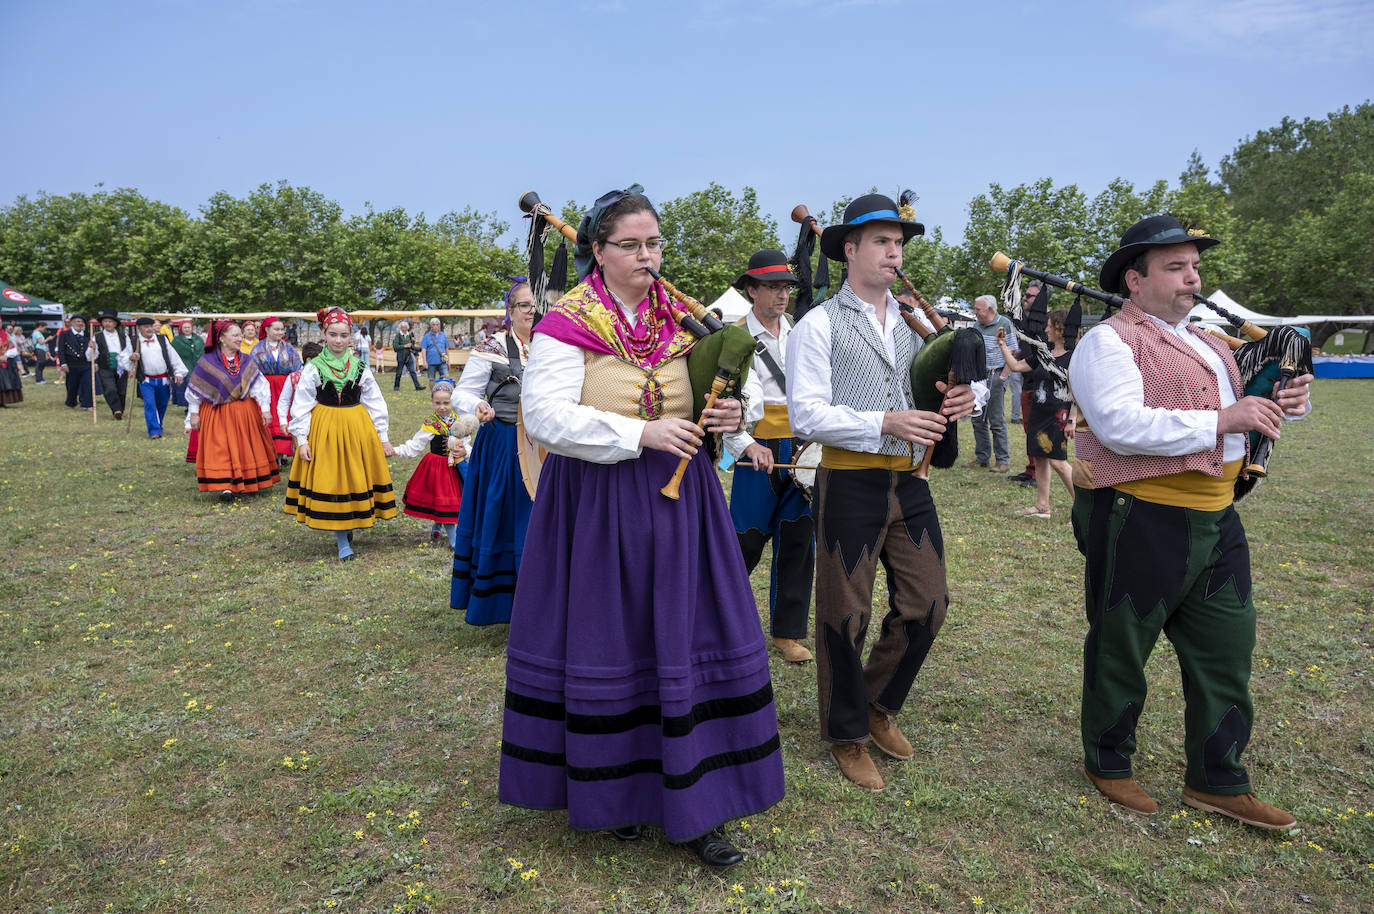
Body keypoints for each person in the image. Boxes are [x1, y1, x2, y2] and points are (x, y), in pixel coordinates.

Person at [499, 187, 783, 868]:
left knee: (689, 640)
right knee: (617, 647)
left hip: (684, 506)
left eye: (654, 243)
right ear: (596, 250)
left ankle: (701, 805)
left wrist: (725, 423)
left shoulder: (684, 320)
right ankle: (620, 795)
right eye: (630, 244)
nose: (646, 256)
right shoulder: (567, 323)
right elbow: (544, 419)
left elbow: (723, 409)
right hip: (597, 506)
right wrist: (641, 432)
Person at [1070, 215, 1312, 829]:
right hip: (1140, 511)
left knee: (1227, 649)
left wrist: (1285, 403)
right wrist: (1223, 421)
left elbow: (1241, 412)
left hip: (1217, 513)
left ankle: (1218, 779)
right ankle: (1109, 761)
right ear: (1134, 279)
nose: (1191, 278)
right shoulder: (1108, 341)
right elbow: (1118, 425)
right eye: (1175, 268)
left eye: (1194, 267)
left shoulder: (1207, 340)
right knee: (1123, 642)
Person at [786, 193, 983, 791]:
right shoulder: (817, 324)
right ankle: (845, 734)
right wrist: (885, 421)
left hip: (909, 481)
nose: (894, 252)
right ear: (850, 250)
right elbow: (806, 415)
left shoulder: (914, 327)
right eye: (881, 241)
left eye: (899, 243)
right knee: (847, 612)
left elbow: (928, 399)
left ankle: (874, 704)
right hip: (848, 477)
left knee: (930, 604)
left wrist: (956, 404)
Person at [723, 249, 815, 664]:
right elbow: (723, 401)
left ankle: (788, 634)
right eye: (774, 287)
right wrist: (744, 444)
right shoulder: (735, 336)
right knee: (745, 541)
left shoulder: (801, 332)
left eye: (787, 288)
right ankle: (717, 624)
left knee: (799, 539)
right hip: (757, 446)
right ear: (751, 290)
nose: (783, 295)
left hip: (802, 449)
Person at [449, 277, 536, 626]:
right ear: (510, 312)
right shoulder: (492, 347)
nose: (532, 311)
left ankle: (544, 600)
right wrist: (479, 405)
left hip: (551, 449)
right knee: (509, 520)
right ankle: (506, 605)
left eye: (537, 305)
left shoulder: (558, 344)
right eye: (525, 305)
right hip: (504, 445)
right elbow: (461, 394)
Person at [284, 307, 397, 561]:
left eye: (343, 335)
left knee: (354, 476)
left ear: (351, 337)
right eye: (333, 334)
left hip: (357, 428)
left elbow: (375, 401)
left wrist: (383, 435)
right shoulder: (314, 368)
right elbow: (300, 405)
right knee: (333, 478)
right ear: (324, 334)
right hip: (325, 430)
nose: (338, 340)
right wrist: (302, 439)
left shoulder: (359, 367)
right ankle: (341, 539)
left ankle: (349, 522)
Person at [185, 321, 280, 501]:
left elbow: (260, 385)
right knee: (222, 447)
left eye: (239, 335)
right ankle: (226, 486)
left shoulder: (245, 360)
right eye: (235, 335)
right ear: (221, 338)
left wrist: (266, 409)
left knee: (244, 446)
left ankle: (246, 480)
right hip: (217, 413)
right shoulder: (207, 361)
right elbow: (195, 389)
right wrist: (194, 413)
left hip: (244, 411)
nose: (239, 338)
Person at [997, 311, 1075, 517]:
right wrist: (1003, 346)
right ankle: (1042, 506)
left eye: (1049, 325)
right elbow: (1015, 367)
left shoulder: (1074, 356)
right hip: (1038, 414)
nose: (1046, 329)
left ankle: (1084, 510)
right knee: (1039, 458)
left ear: (1060, 327)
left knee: (1058, 461)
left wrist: (1073, 420)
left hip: (1059, 416)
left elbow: (1081, 391)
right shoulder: (1044, 353)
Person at [390, 378, 476, 548]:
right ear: (432, 402)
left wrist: (466, 451)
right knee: (443, 501)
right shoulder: (430, 424)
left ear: (453, 401)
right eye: (438, 403)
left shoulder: (460, 421)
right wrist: (396, 450)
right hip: (438, 469)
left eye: (446, 402)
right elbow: (416, 446)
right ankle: (454, 541)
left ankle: (437, 525)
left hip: (456, 466)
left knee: (452, 502)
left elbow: (466, 443)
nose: (442, 406)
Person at [964, 295, 1015, 472]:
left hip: (996, 374)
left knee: (996, 420)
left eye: (978, 309)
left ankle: (1003, 461)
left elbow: (1013, 351)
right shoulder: (977, 325)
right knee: (977, 418)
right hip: (978, 377)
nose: (975, 312)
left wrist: (1003, 376)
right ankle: (982, 457)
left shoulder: (1005, 324)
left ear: (990, 310)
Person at [248, 317, 304, 464]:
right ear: (267, 330)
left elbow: (298, 367)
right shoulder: (257, 349)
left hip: (285, 387)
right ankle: (268, 454)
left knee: (284, 416)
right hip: (265, 387)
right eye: (277, 329)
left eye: (282, 329)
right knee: (267, 417)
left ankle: (282, 453)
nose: (281, 332)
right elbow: (252, 370)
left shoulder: (289, 348)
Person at [120, 317, 187, 438]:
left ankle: (158, 425)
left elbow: (173, 356)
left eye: (151, 326)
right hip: (146, 380)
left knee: (162, 404)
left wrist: (178, 373)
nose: (149, 329)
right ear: (139, 329)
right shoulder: (134, 342)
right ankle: (154, 431)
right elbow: (123, 358)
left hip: (164, 379)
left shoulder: (162, 339)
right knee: (150, 404)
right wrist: (131, 357)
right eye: (146, 327)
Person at [90, 310, 130, 420]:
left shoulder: (124, 336)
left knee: (121, 390)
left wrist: (129, 366)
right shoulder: (97, 337)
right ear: (102, 323)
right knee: (110, 389)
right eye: (105, 321)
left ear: (115, 323)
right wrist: (92, 349)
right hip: (105, 366)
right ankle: (116, 409)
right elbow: (92, 355)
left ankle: (120, 410)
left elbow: (128, 351)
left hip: (121, 366)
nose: (107, 324)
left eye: (110, 321)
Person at [56, 315, 94, 410]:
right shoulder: (64, 334)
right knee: (72, 385)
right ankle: (71, 402)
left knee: (87, 384)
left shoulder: (88, 334)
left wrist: (95, 363)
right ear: (72, 323)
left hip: (86, 363)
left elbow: (93, 351)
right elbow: (61, 350)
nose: (80, 323)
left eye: (82, 322)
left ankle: (87, 404)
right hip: (71, 364)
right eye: (77, 321)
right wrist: (63, 363)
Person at [169, 320, 204, 408]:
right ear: (181, 328)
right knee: (185, 385)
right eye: (185, 327)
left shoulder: (198, 339)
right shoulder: (177, 340)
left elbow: (203, 351)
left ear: (192, 328)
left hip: (196, 365)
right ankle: (186, 405)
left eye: (188, 327)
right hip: (183, 364)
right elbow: (172, 353)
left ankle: (195, 405)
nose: (187, 329)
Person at [391, 319, 424, 391]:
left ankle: (417, 386)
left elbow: (411, 345)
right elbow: (395, 347)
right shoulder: (398, 336)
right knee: (399, 372)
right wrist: (404, 346)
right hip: (401, 357)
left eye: (405, 327)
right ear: (400, 328)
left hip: (409, 356)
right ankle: (396, 387)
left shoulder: (409, 335)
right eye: (402, 327)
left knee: (412, 371)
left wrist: (420, 349)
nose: (404, 329)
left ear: (407, 328)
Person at [420, 318, 449, 383]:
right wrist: (424, 362)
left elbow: (446, 348)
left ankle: (443, 392)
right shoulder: (426, 336)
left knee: (445, 378)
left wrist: (448, 361)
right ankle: (432, 393)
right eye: (433, 325)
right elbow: (423, 349)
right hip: (431, 362)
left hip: (442, 361)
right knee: (431, 379)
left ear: (439, 325)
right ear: (431, 326)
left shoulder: (443, 335)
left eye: (437, 324)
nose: (435, 326)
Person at [0, 324, 21, 406]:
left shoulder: (5, 335)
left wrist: (6, 355)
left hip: (4, 362)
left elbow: (12, 348)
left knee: (4, 382)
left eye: (0, 322)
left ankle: (2, 401)